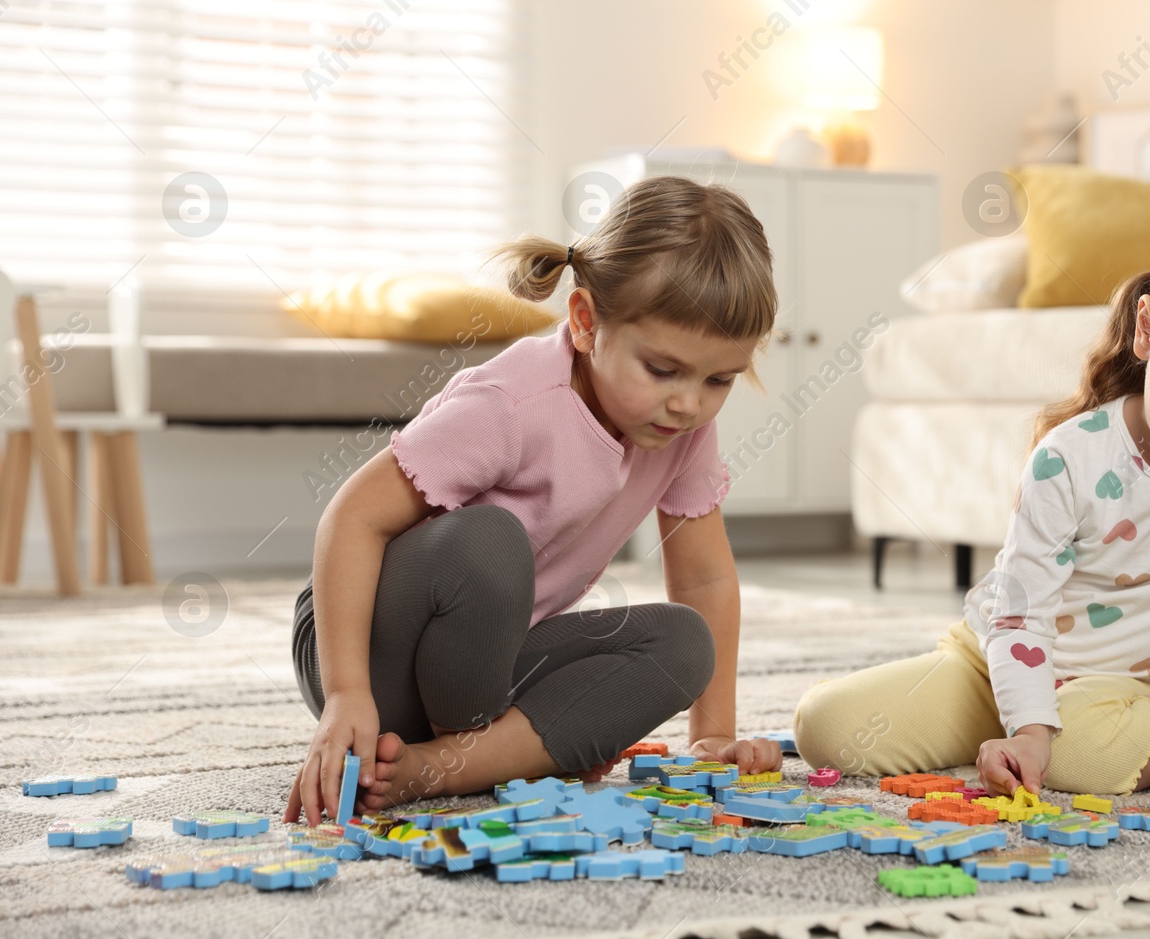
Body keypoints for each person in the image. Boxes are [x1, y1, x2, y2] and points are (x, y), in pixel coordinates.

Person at [793, 208, 1150, 811]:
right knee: (826, 727)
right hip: (996, 664)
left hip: (1128, 692)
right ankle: (1066, 733)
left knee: (1083, 753)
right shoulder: (1070, 456)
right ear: (1147, 329)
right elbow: (1021, 610)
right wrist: (1028, 727)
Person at [285, 176, 784, 824]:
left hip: (482, 671)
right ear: (585, 322)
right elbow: (352, 517)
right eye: (662, 369)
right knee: (489, 538)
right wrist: (347, 693)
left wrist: (712, 732)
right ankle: (525, 747)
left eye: (719, 379)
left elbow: (705, 576)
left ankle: (437, 767)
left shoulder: (682, 431)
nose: (689, 402)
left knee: (684, 641)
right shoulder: (513, 403)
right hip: (368, 641)